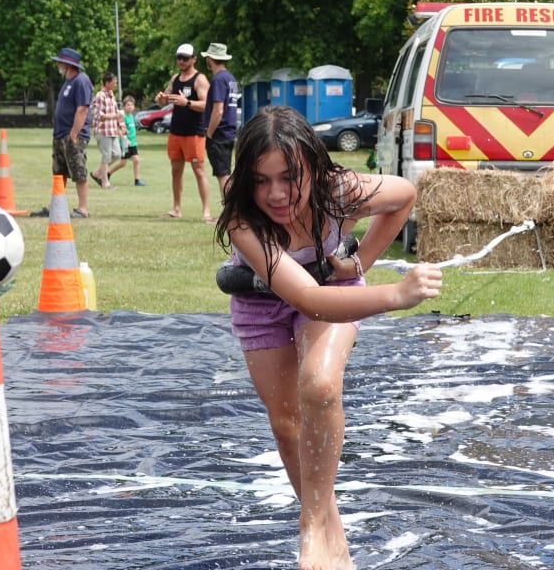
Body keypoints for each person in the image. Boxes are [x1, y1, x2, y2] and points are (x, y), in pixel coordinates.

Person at [213, 106, 443, 569]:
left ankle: (311, 528)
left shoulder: (341, 191)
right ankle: (329, 531)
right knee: (286, 422)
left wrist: (360, 264)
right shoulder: (243, 220)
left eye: (289, 177)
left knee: (319, 384)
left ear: (315, 169)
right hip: (264, 306)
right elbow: (307, 299)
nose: (276, 194)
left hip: (331, 290)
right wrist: (395, 295)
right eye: (260, 180)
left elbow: (404, 195)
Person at [155, 43, 212, 222]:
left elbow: (206, 104)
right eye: (179, 57)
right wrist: (161, 100)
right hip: (176, 132)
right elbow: (164, 101)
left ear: (194, 59)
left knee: (199, 171)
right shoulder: (175, 79)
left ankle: (206, 211)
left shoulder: (200, 79)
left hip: (193, 133)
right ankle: (176, 208)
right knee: (175, 170)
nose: (181, 61)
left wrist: (187, 102)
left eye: (185, 58)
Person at [50, 47, 93, 217]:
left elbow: (82, 109)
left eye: (59, 62)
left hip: (73, 135)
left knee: (78, 170)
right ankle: (55, 206)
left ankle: (83, 208)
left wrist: (74, 134)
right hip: (61, 134)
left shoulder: (81, 81)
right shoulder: (68, 81)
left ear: (68, 64)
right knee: (59, 172)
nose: (57, 65)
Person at [201, 43, 240, 199]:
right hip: (230, 132)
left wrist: (209, 134)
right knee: (226, 174)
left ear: (210, 59)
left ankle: (229, 213)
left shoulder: (218, 80)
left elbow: (218, 110)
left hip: (219, 133)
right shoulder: (231, 78)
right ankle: (231, 211)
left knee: (223, 175)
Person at [89, 72, 122, 189]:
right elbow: (98, 115)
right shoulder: (100, 95)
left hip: (112, 130)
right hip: (103, 131)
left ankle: (97, 173)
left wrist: (120, 127)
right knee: (106, 156)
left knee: (117, 154)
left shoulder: (112, 95)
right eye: (114, 82)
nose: (115, 84)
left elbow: (116, 113)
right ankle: (105, 183)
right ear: (107, 83)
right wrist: (114, 116)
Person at [106, 95, 144, 186]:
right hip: (125, 144)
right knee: (122, 163)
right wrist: (124, 139)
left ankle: (137, 180)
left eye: (131, 105)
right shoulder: (123, 117)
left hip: (133, 144)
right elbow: (118, 129)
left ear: (134, 107)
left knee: (136, 160)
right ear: (124, 106)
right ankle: (105, 171)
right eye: (127, 105)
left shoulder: (131, 117)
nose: (130, 106)